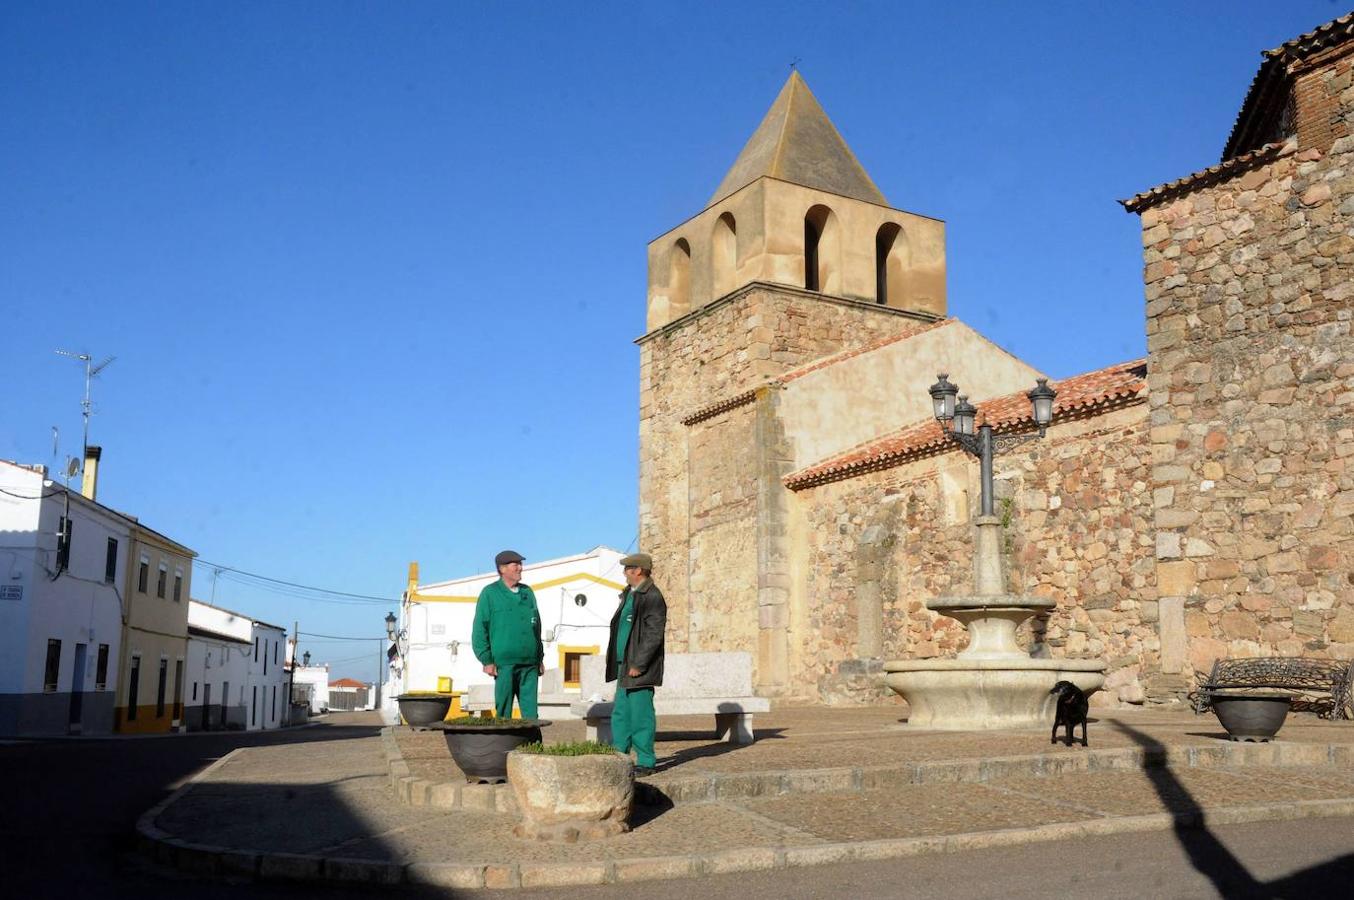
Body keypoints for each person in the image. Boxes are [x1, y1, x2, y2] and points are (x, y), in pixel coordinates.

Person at [606, 551, 666, 775]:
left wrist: (640, 663)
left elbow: (653, 634)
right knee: (621, 712)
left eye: (627, 569)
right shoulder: (629, 594)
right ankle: (620, 754)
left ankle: (646, 760)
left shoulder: (652, 596)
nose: (623, 573)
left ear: (638, 570)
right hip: (624, 664)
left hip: (639, 666)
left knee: (641, 715)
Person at [471, 550, 544, 718]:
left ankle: (532, 743)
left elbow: (537, 627)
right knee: (503, 712)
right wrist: (486, 659)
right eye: (515, 564)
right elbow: (480, 629)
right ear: (502, 569)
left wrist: (539, 658)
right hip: (504, 664)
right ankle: (504, 744)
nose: (520, 568)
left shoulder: (528, 593)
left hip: (529, 663)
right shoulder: (490, 593)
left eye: (520, 564)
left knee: (531, 713)